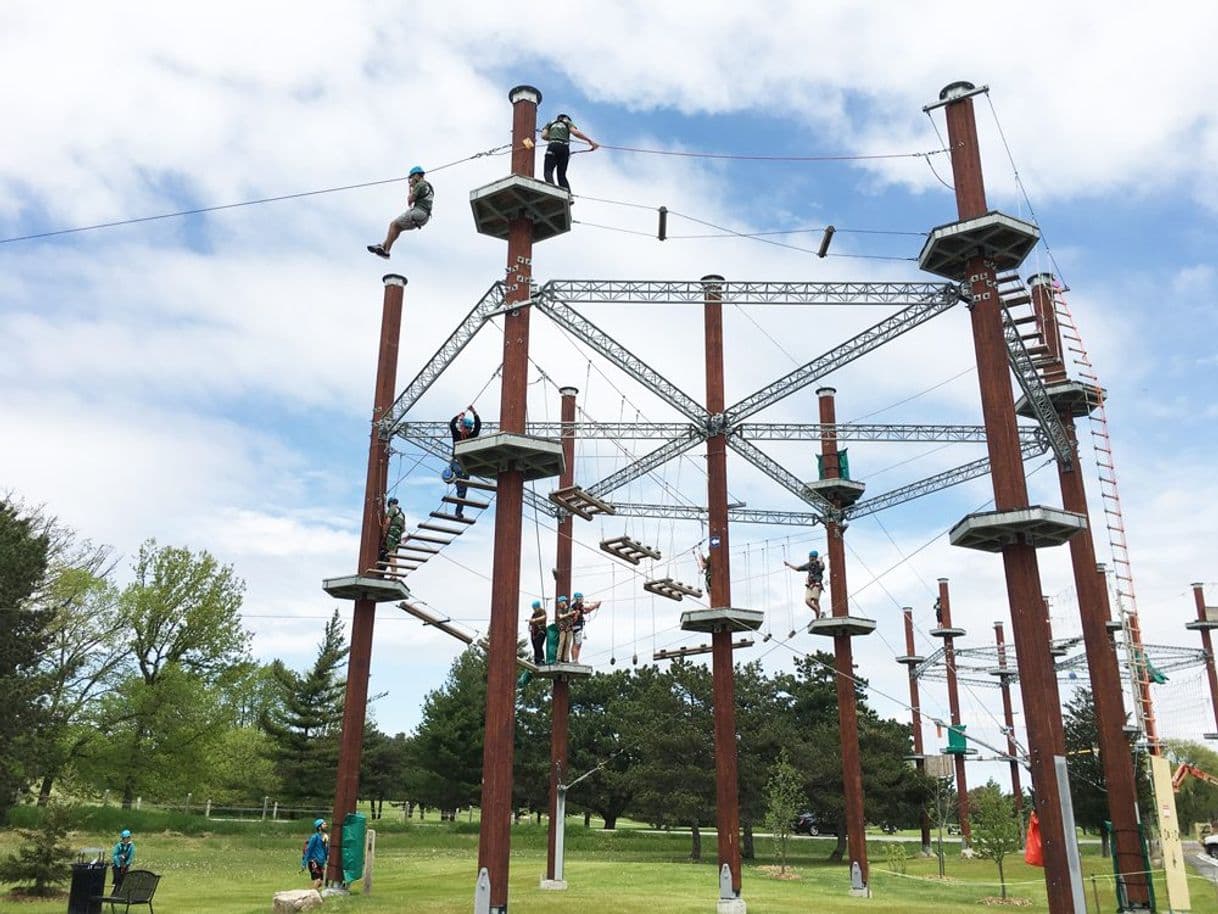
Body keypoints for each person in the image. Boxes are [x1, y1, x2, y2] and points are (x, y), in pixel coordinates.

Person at [368, 166, 433, 259]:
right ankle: (382, 246)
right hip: (425, 217)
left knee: (393, 225)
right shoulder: (429, 186)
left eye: (411, 177)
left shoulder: (420, 185)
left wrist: (411, 189)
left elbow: (410, 201)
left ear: (416, 175)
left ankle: (386, 252)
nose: (411, 180)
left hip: (418, 212)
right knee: (397, 229)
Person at [540, 113, 598, 197]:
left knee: (548, 171)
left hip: (552, 146)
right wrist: (590, 141)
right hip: (564, 148)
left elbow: (543, 135)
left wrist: (553, 137)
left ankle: (552, 191)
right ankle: (569, 196)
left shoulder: (550, 123)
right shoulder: (567, 122)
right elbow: (575, 132)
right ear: (566, 118)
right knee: (562, 175)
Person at [448, 406, 481, 517]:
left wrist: (474, 412)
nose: (468, 430)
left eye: (469, 428)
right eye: (466, 428)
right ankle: (455, 478)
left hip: (465, 466)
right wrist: (459, 416)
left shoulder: (472, 436)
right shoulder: (457, 434)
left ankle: (458, 512)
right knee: (460, 473)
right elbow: (452, 425)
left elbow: (478, 427)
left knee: (462, 492)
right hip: (456, 463)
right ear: (462, 427)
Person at [785, 550, 826, 618]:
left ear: (812, 557)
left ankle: (817, 617)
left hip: (817, 584)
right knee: (807, 600)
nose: (809, 558)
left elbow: (822, 567)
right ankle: (818, 612)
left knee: (815, 601)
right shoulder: (808, 565)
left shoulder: (819, 563)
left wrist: (821, 560)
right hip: (810, 585)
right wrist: (788, 565)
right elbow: (798, 568)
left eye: (810, 557)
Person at [569, 591, 601, 663]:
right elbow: (587, 610)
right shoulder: (577, 606)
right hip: (577, 626)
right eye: (581, 598)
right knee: (578, 643)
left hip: (575, 626)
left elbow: (586, 611)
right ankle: (575, 660)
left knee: (575, 643)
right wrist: (596, 605)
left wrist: (595, 606)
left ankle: (574, 659)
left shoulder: (574, 606)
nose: (582, 600)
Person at [302, 818, 328, 889]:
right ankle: (312, 896)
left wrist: (326, 858)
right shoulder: (314, 837)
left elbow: (325, 850)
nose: (326, 825)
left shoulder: (325, 836)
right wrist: (304, 863)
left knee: (322, 882)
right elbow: (308, 850)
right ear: (319, 827)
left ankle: (310, 893)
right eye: (324, 824)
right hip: (314, 861)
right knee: (318, 880)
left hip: (321, 862)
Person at [380, 496, 405, 564]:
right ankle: (394, 574)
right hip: (398, 535)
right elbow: (404, 529)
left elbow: (388, 521)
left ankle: (394, 574)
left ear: (390, 503)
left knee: (391, 554)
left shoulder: (392, 508)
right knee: (392, 554)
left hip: (392, 532)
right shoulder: (402, 514)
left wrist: (384, 531)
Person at [555, 595, 577, 662]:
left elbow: (574, 615)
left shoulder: (570, 609)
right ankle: (558, 658)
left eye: (560, 603)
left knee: (568, 643)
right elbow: (561, 616)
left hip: (569, 628)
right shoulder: (559, 610)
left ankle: (566, 658)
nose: (559, 604)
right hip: (563, 628)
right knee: (561, 642)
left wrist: (572, 614)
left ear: (563, 602)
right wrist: (569, 614)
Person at [527, 599, 548, 665]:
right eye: (533, 608)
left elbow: (544, 617)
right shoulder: (534, 614)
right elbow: (531, 622)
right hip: (534, 632)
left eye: (535, 608)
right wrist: (530, 625)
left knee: (538, 645)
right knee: (535, 646)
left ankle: (541, 660)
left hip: (541, 631)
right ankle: (536, 660)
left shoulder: (542, 611)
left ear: (538, 607)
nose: (534, 609)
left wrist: (535, 620)